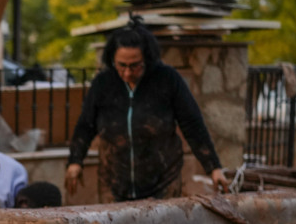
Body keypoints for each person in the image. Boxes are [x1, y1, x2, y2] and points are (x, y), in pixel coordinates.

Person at [65, 17, 227, 202]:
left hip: (163, 183)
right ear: (113, 60)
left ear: (147, 58)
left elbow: (193, 124)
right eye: (121, 65)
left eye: (135, 66)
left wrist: (213, 167)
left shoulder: (167, 79)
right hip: (114, 184)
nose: (127, 73)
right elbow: (86, 125)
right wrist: (75, 161)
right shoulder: (103, 83)